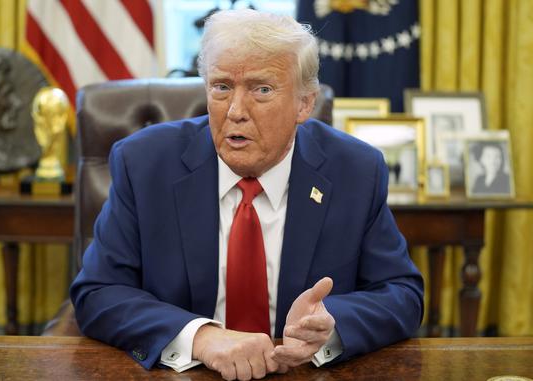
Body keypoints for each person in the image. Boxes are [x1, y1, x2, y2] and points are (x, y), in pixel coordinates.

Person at [70, 9, 423, 381]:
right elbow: (98, 292)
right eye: (221, 86)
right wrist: (203, 338)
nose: (236, 111)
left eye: (262, 89)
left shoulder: (355, 170)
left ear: (304, 103)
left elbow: (401, 294)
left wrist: (332, 322)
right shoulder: (144, 164)